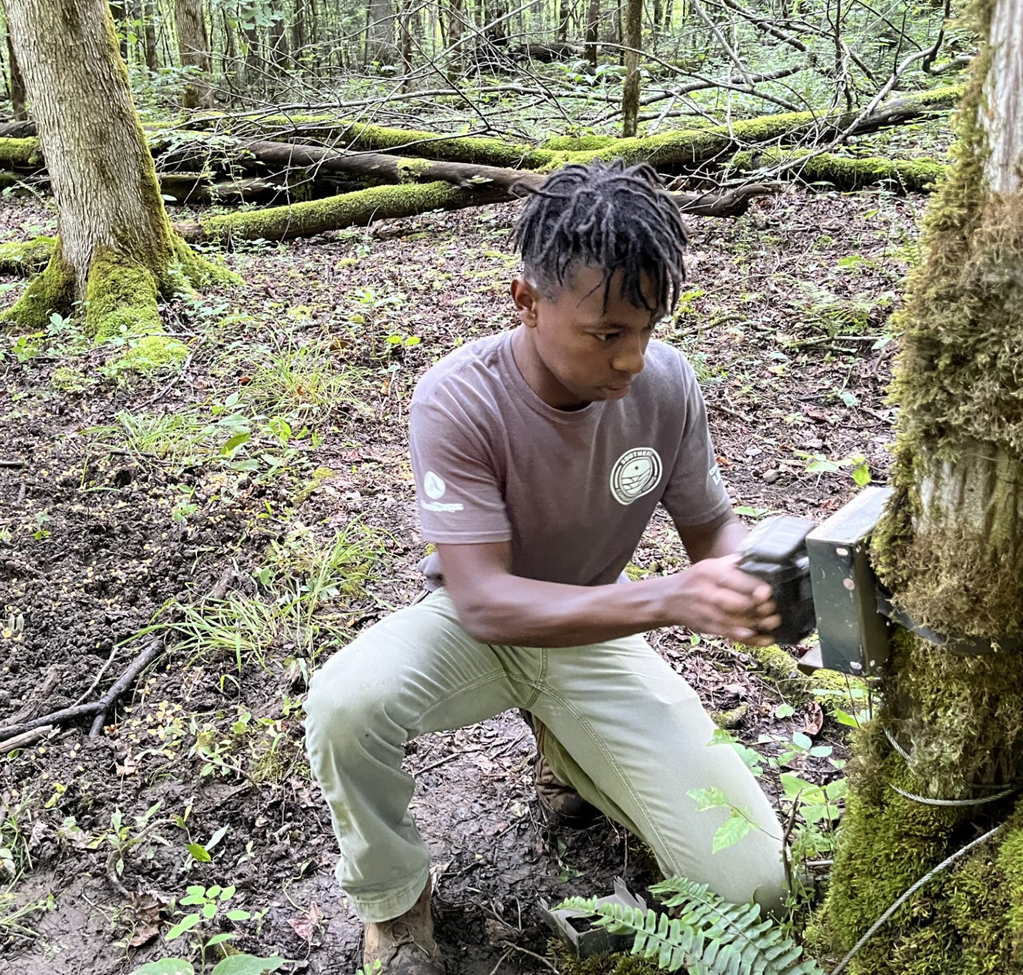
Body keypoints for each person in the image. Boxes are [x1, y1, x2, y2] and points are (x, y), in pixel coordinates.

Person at [304, 160, 787, 975]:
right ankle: (394, 901)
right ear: (526, 301)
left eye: (647, 329)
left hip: (595, 626)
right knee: (346, 704)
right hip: (473, 626)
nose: (632, 358)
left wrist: (764, 579)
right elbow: (486, 602)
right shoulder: (458, 398)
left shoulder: (666, 387)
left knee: (753, 887)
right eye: (607, 334)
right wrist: (673, 598)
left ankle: (562, 743)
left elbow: (711, 528)